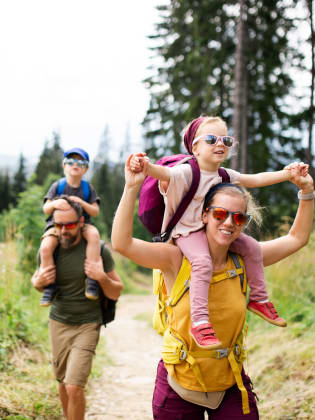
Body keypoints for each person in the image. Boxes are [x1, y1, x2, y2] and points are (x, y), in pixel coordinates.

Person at [111, 155, 314, 419]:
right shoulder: (175, 259)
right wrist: (131, 187)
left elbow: (297, 238)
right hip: (178, 385)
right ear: (204, 215)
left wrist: (307, 191)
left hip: (230, 383)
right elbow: (122, 244)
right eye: (220, 214)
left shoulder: (245, 260)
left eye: (238, 218)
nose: (229, 222)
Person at [130, 115, 308, 349]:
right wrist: (144, 166)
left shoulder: (223, 175)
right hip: (186, 234)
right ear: (195, 147)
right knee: (202, 262)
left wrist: (288, 174)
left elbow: (254, 180)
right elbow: (163, 174)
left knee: (252, 247)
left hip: (209, 230)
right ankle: (200, 321)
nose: (220, 144)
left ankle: (258, 299)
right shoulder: (185, 172)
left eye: (226, 139)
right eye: (212, 139)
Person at [31, 196, 123, 420]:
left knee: (74, 386)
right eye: (58, 225)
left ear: (81, 222)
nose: (63, 230)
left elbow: (116, 290)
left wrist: (101, 277)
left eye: (69, 225)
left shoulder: (98, 250)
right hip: (59, 322)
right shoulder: (49, 249)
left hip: (88, 324)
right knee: (62, 385)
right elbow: (37, 282)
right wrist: (37, 282)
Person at [40, 147, 102, 306]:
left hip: (83, 223)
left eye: (80, 163)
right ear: (64, 166)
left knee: (94, 236)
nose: (75, 165)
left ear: (86, 169)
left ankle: (92, 280)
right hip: (58, 225)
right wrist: (55, 203)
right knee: (46, 247)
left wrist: (81, 203)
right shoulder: (58, 186)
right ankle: (49, 285)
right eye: (70, 161)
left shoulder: (87, 188)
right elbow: (46, 208)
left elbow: (95, 211)